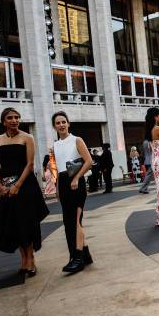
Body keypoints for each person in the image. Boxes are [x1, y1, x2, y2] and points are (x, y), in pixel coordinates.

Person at [0, 107, 49, 277]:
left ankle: (31, 259)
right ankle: (23, 260)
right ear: (3, 121)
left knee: (26, 222)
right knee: (13, 224)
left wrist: (17, 185)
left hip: (25, 185)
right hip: (4, 186)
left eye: (17, 117)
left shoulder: (28, 137)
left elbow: (30, 164)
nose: (14, 120)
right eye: (10, 118)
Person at [52, 111, 93, 274]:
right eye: (58, 123)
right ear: (54, 126)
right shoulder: (54, 145)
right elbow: (58, 167)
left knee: (75, 221)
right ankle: (86, 254)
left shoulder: (77, 140)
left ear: (68, 123)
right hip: (63, 183)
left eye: (64, 122)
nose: (61, 125)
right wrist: (56, 187)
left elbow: (89, 161)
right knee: (69, 221)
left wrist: (76, 178)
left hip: (76, 182)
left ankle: (77, 259)